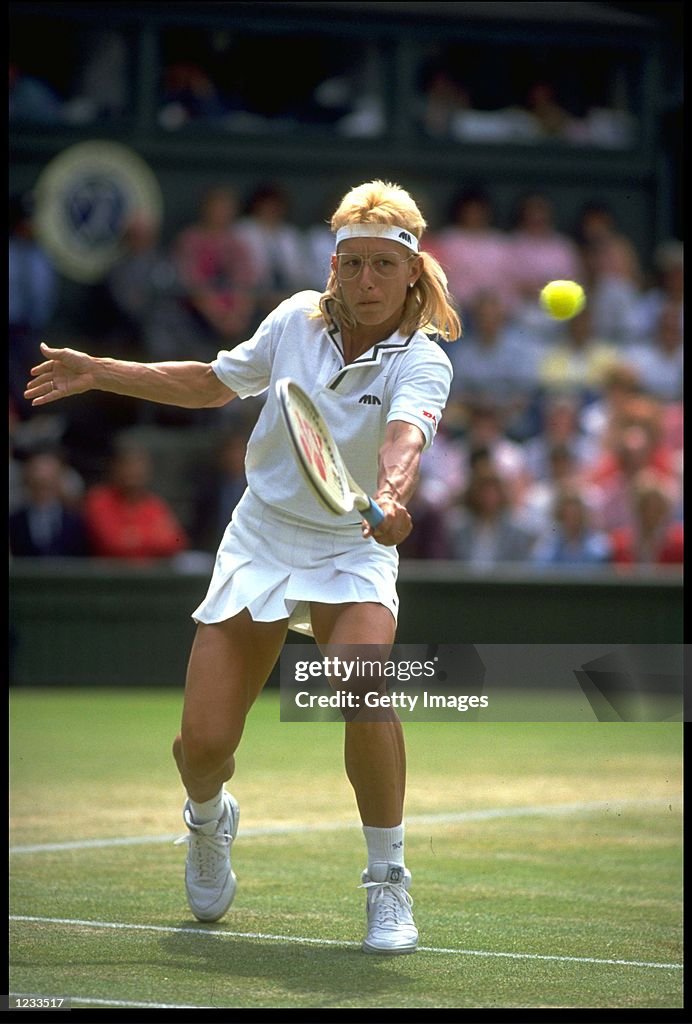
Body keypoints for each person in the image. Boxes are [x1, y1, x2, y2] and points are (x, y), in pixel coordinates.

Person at [24, 179, 461, 955]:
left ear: (411, 273)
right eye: (352, 265)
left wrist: (391, 501)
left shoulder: (424, 361)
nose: (365, 283)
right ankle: (206, 818)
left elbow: (404, 444)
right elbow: (211, 381)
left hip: (350, 547)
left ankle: (387, 882)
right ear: (334, 266)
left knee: (364, 687)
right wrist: (102, 370)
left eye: (382, 269)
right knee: (203, 745)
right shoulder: (294, 318)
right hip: (262, 538)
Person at [83, 445, 189, 561]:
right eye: (128, 465)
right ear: (115, 468)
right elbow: (112, 544)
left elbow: (177, 542)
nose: (134, 471)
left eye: (139, 465)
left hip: (150, 574)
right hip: (108, 575)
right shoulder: (98, 500)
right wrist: (154, 537)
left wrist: (133, 536)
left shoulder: (154, 504)